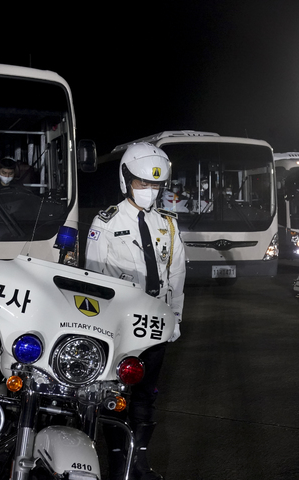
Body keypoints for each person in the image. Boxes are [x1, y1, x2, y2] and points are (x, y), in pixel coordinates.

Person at [85, 142, 185, 480]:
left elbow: (176, 274)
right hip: (119, 324)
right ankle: (116, 463)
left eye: (156, 185)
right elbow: (94, 278)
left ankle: (139, 462)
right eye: (143, 183)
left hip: (154, 323)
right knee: (114, 393)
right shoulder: (106, 222)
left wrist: (176, 317)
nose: (150, 191)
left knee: (146, 395)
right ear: (126, 179)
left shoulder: (167, 226)